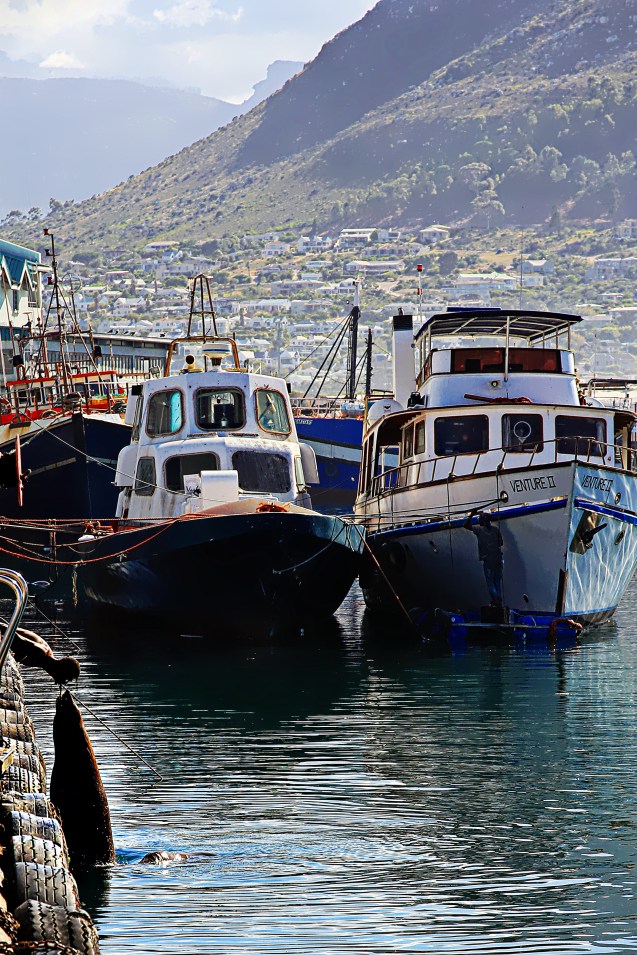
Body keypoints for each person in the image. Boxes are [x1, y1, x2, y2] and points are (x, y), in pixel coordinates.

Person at [464, 509, 504, 606]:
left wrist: (471, 514)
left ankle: (495, 602)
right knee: (497, 582)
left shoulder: (479, 530)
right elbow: (501, 543)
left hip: (488, 559)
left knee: (490, 582)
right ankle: (499, 601)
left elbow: (465, 525)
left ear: (481, 521)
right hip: (498, 558)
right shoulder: (496, 529)